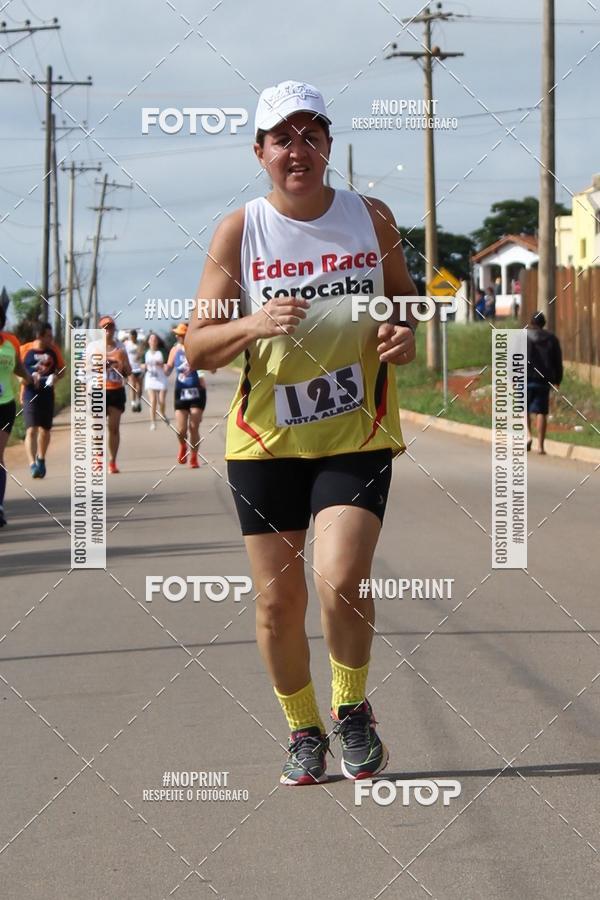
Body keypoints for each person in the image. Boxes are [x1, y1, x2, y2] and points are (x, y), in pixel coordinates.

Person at [185, 80, 417, 786]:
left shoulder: (370, 217)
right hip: (266, 443)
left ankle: (351, 710)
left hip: (357, 432)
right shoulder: (240, 231)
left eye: (311, 135)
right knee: (278, 603)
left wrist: (403, 332)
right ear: (259, 152)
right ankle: (303, 730)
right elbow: (198, 346)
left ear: (328, 146)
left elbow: (407, 300)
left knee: (341, 579)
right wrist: (255, 323)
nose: (298, 150)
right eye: (282, 138)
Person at [0, 306, 35, 526]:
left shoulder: (11, 342)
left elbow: (19, 368)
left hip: (5, 405)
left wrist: (30, 379)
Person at [19, 321, 66, 478]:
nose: (51, 339)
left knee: (45, 430)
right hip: (29, 393)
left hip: (47, 393)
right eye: (48, 336)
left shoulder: (53, 350)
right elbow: (16, 371)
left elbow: (63, 369)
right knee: (31, 429)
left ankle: (41, 458)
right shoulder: (24, 350)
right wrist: (27, 378)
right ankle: (32, 464)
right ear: (39, 336)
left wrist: (56, 377)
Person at [165, 323, 205, 468]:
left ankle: (194, 457)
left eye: (180, 335)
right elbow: (168, 369)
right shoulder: (175, 350)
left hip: (197, 391)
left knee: (194, 426)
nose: (177, 337)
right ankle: (183, 445)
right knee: (181, 429)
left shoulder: (196, 348)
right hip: (181, 392)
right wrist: (161, 368)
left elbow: (206, 366)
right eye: (177, 334)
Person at [527, 311, 563, 454]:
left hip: (524, 377)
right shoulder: (552, 339)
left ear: (531, 323)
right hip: (543, 380)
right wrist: (558, 379)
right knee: (541, 411)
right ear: (544, 323)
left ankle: (528, 436)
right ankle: (540, 446)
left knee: (523, 409)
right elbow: (557, 361)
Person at [99, 315, 131, 474]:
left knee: (113, 428)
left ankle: (112, 461)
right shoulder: (93, 348)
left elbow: (128, 371)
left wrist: (123, 368)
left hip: (116, 390)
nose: (108, 330)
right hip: (98, 391)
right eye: (105, 328)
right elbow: (84, 370)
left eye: (110, 327)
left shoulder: (120, 349)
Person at [143, 333, 169, 430]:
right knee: (153, 401)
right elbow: (141, 365)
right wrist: (144, 366)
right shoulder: (146, 353)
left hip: (161, 379)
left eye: (155, 340)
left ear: (157, 342)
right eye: (151, 339)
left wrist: (161, 364)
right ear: (148, 341)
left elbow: (167, 365)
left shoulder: (162, 352)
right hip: (150, 379)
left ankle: (162, 413)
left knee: (161, 401)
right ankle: (153, 422)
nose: (153, 341)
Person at [124, 329, 143, 412]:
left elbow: (140, 354)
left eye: (134, 337)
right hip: (131, 368)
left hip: (139, 368)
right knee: (133, 386)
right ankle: (133, 404)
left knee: (139, 386)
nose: (133, 338)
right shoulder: (127, 344)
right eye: (131, 337)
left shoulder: (139, 344)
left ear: (136, 336)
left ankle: (139, 402)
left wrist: (139, 353)